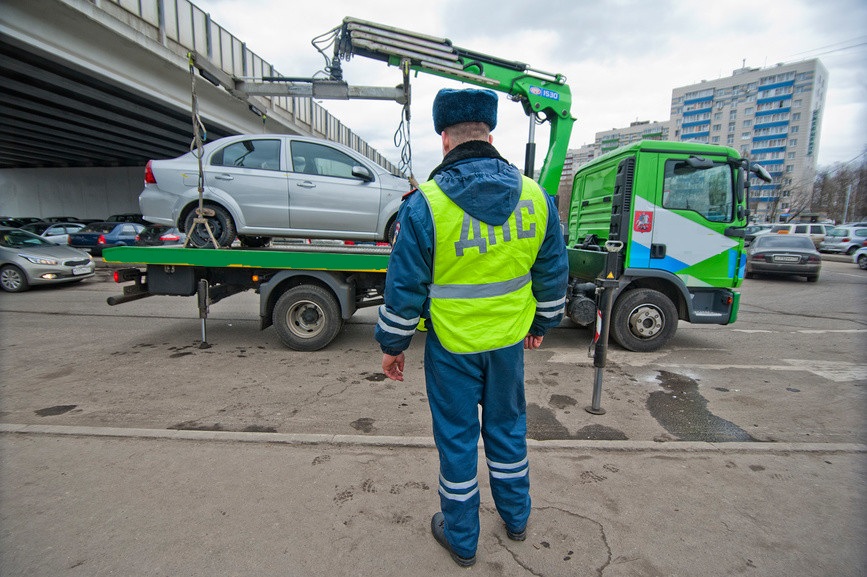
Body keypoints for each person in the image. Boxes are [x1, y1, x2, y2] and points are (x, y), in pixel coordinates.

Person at [374, 87, 569, 567]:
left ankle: (462, 539)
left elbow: (404, 287)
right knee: (508, 430)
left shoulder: (426, 206)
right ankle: (517, 519)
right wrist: (543, 321)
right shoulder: (535, 197)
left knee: (458, 440)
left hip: (452, 346)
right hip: (508, 344)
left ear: (444, 139)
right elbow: (552, 271)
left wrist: (393, 344)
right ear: (491, 133)